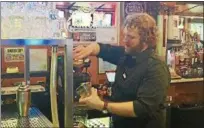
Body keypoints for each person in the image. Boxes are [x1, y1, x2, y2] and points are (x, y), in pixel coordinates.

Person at [73, 13, 170, 128]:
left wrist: (102, 105)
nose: (125, 40)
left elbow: (141, 108)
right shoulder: (126, 54)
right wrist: (88, 49)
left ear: (146, 40)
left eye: (131, 37)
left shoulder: (156, 67)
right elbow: (103, 49)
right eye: (125, 35)